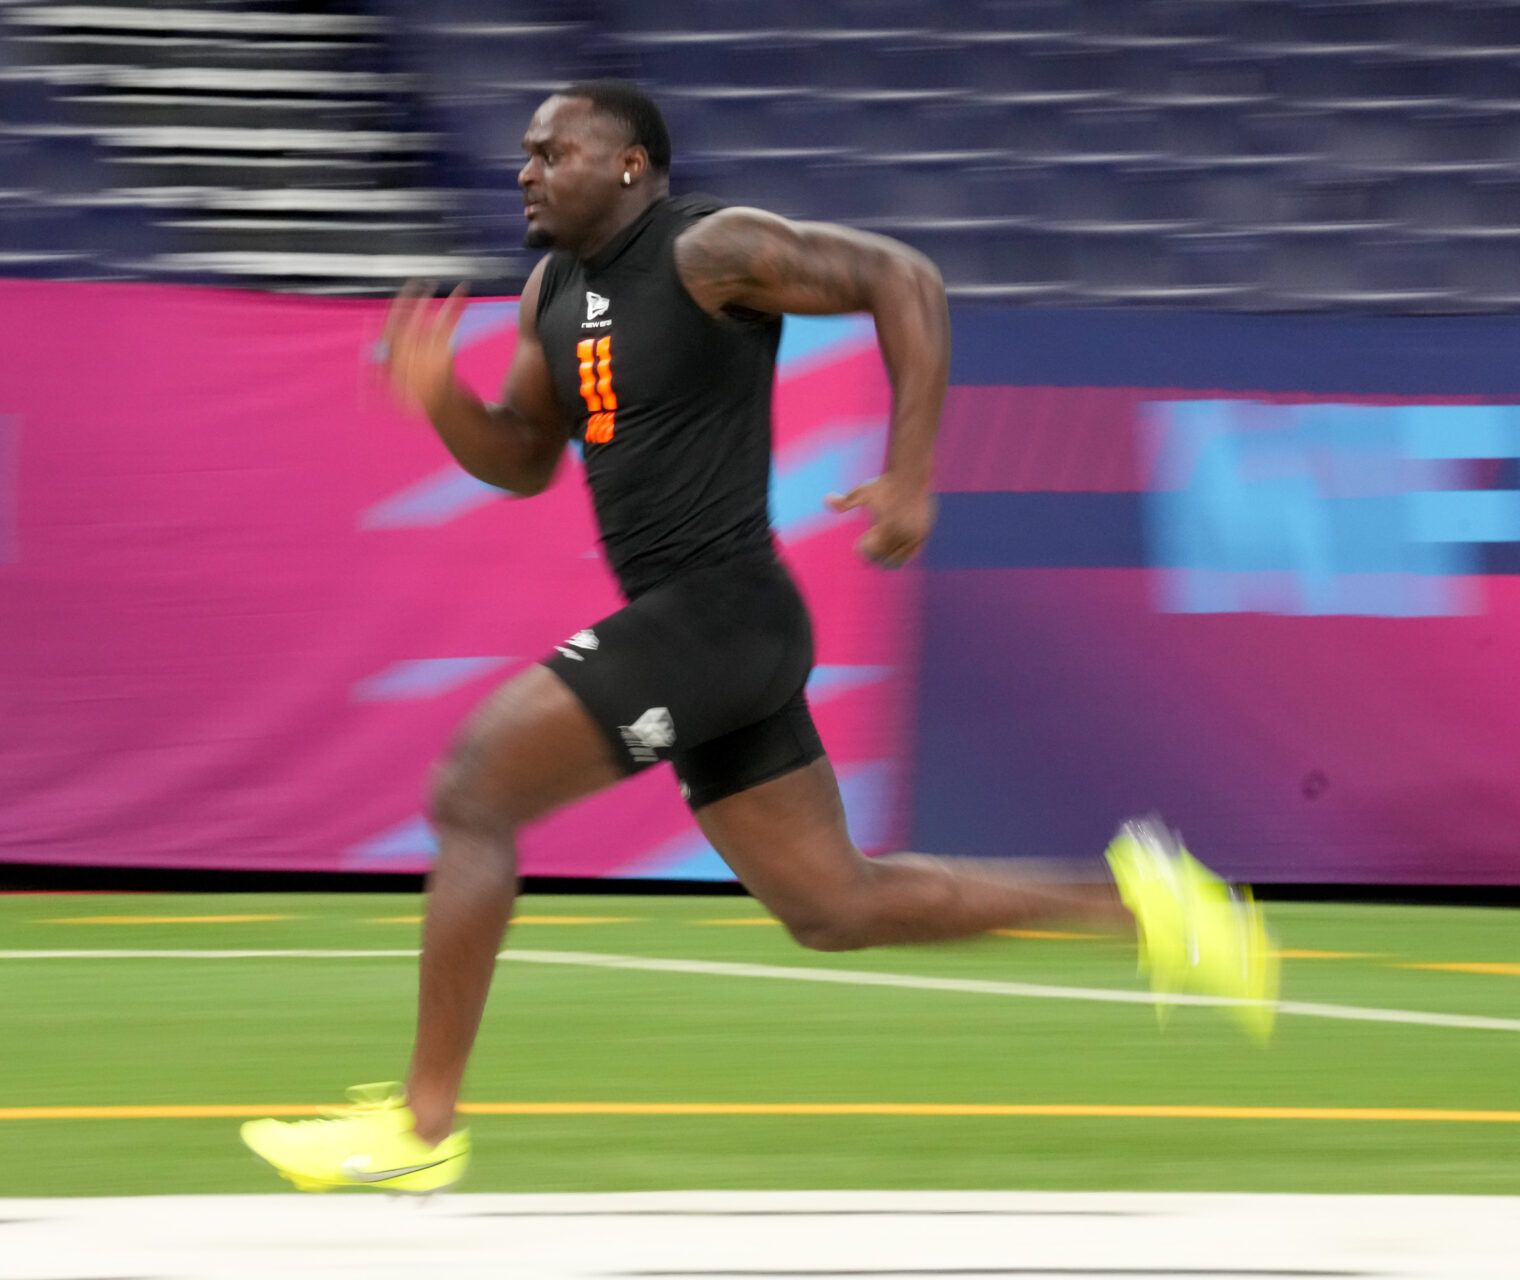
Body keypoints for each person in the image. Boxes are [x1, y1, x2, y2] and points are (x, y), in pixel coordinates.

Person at [242, 80, 1275, 1195]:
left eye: (553, 151)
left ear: (629, 164)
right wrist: (443, 399)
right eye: (525, 154)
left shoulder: (710, 250)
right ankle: (1138, 900)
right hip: (712, 636)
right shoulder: (554, 289)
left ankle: (422, 1125)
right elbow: (525, 455)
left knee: (474, 789)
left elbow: (903, 278)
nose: (526, 170)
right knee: (835, 907)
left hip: (723, 614)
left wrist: (911, 476)